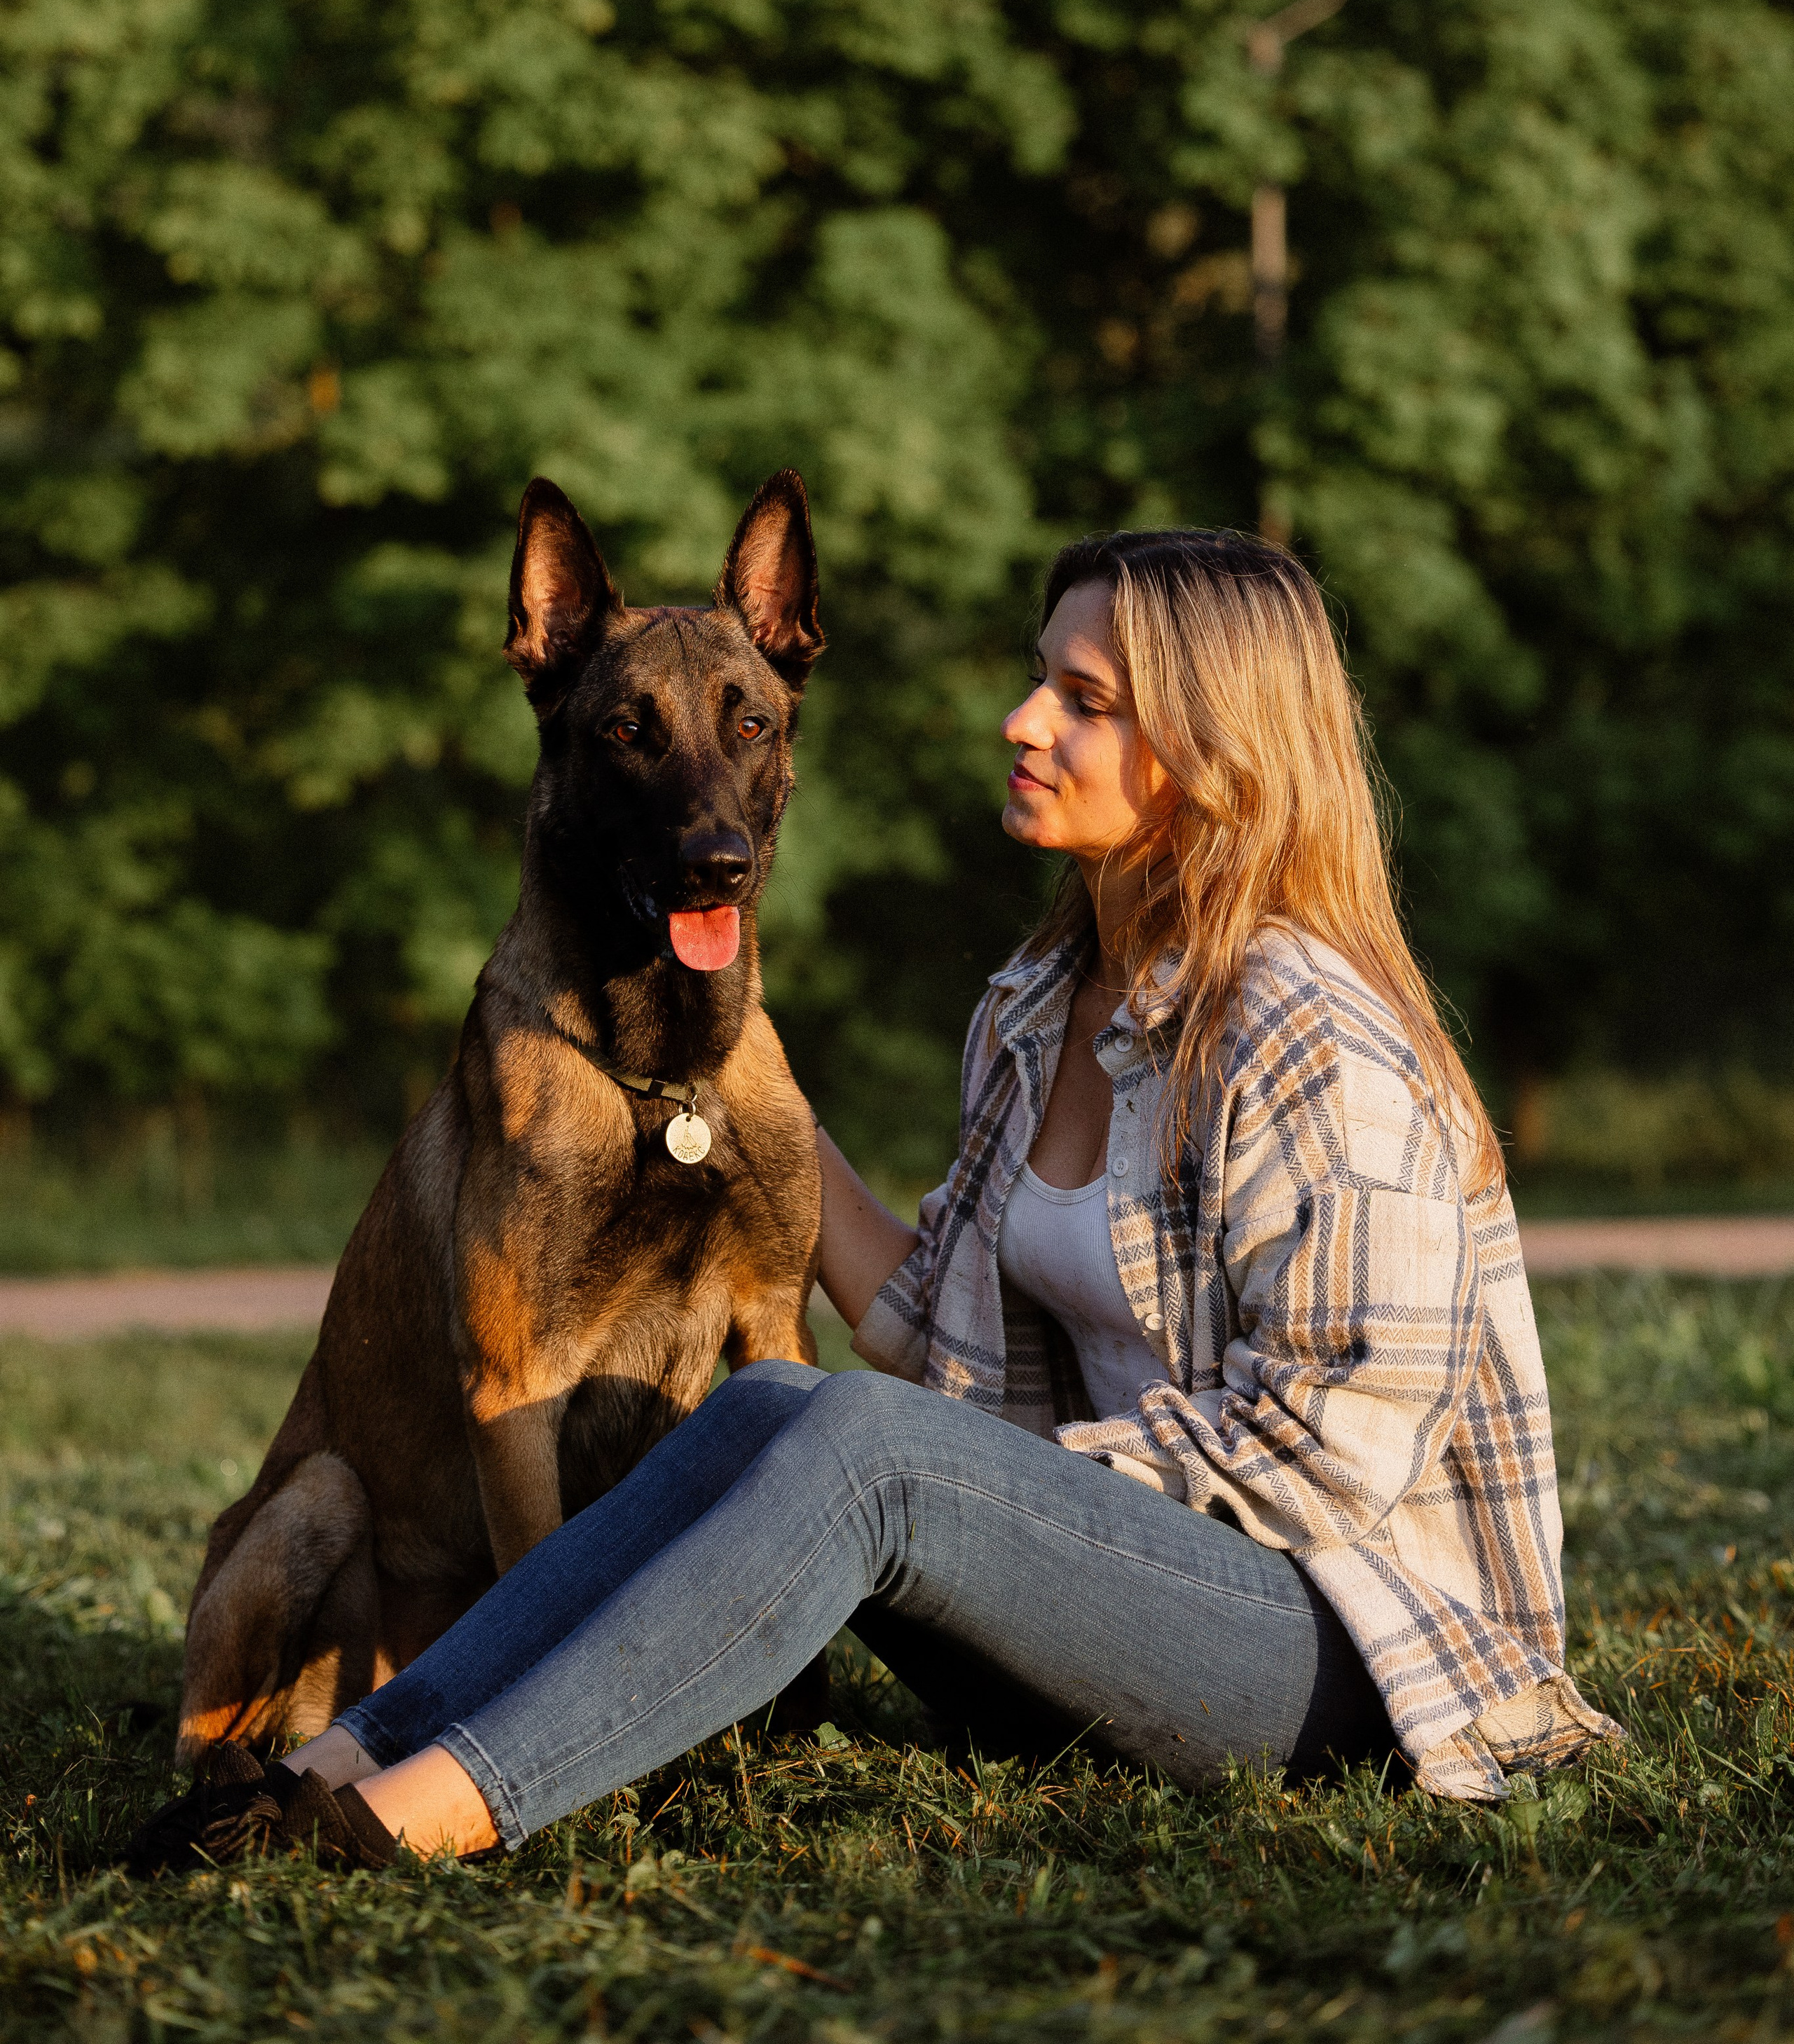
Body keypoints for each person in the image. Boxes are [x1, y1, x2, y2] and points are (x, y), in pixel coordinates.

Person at [128, 528, 1616, 1874]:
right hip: (1121, 1595)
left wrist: (1014, 1481)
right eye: (1039, 680)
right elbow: (924, 1327)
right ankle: (323, 1760)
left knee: (852, 1437)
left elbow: (1334, 1448)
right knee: (770, 1412)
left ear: (1221, 748)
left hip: (1355, 1662)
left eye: (1083, 700)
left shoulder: (1308, 1030)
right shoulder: (1037, 1007)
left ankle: (417, 1816)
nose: (1021, 721)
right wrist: (728, 1109)